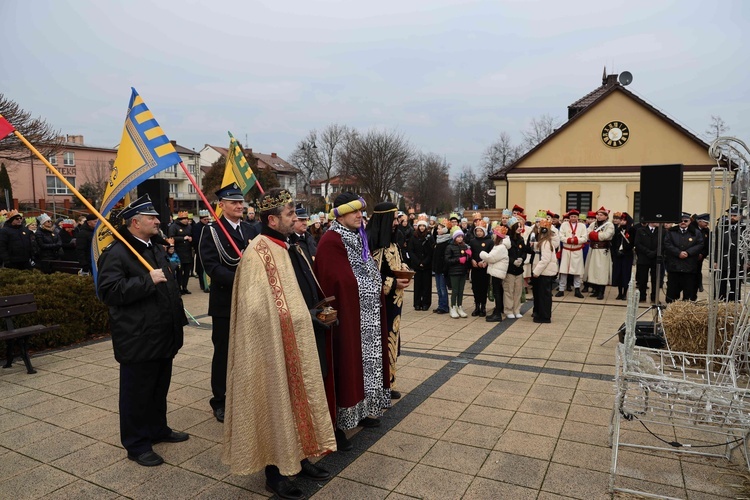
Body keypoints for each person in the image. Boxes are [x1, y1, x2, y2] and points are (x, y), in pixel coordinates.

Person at [222, 188, 334, 500]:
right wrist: (288, 322)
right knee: (274, 403)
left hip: (294, 341)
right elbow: (255, 309)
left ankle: (299, 459)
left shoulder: (284, 246)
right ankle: (275, 474)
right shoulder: (257, 252)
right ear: (272, 219)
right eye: (289, 214)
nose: (295, 218)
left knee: (298, 401)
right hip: (271, 347)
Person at [96, 194, 189, 467]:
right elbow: (109, 292)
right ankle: (137, 444)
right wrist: (146, 280)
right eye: (152, 217)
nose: (158, 220)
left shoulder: (153, 247)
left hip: (163, 333)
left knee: (159, 388)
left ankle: (158, 429)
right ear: (135, 223)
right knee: (137, 393)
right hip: (138, 337)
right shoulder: (118, 252)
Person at [314, 192, 391, 450]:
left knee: (365, 368)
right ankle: (336, 426)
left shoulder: (359, 236)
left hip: (367, 316)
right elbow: (336, 281)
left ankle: (364, 409)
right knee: (344, 368)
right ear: (340, 215)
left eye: (361, 211)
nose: (360, 215)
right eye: (353, 212)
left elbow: (367, 270)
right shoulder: (330, 240)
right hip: (347, 318)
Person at [199, 183, 259, 423]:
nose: (238, 206)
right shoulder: (212, 231)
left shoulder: (251, 230)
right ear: (221, 205)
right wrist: (239, 280)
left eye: (240, 202)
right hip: (226, 300)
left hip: (252, 299)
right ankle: (220, 400)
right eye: (233, 202)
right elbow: (211, 266)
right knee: (223, 352)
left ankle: (245, 393)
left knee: (249, 349)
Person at [367, 202, 412, 400]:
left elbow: (396, 262)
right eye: (393, 219)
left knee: (393, 341)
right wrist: (394, 284)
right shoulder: (372, 242)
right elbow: (372, 276)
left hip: (395, 303)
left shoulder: (393, 242)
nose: (396, 223)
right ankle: (380, 385)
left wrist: (404, 268)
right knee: (382, 341)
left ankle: (391, 380)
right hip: (381, 303)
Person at [663, 213, 704, 302]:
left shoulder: (696, 232)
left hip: (689, 266)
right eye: (681, 221)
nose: (683, 223)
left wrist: (688, 253)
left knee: (688, 291)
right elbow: (667, 244)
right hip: (674, 266)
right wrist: (678, 253)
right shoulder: (671, 231)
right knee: (672, 291)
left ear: (689, 221)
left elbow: (700, 244)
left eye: (685, 221)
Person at [584, 207, 615, 300]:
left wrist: (594, 235)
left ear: (606, 216)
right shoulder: (593, 224)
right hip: (593, 250)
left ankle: (601, 292)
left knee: (602, 271)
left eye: (601, 215)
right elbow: (587, 234)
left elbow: (606, 235)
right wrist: (593, 235)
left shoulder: (609, 225)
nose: (599, 216)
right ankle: (595, 290)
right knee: (593, 270)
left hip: (602, 250)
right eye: (598, 214)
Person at [713, 208, 744, 301]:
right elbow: (716, 245)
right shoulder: (721, 228)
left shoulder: (744, 229)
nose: (732, 217)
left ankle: (734, 305)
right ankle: (719, 303)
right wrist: (715, 260)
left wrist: (747, 261)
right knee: (721, 286)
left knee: (735, 286)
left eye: (735, 215)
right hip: (723, 262)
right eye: (730, 215)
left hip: (737, 262)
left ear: (740, 216)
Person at [531, 219, 558, 323]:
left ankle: (545, 316)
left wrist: (536, 271)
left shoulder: (546, 243)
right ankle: (543, 315)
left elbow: (545, 259)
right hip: (546, 272)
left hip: (545, 272)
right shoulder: (546, 242)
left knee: (544, 296)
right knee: (543, 295)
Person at [503, 218, 531, 318]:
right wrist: (513, 261)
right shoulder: (506, 240)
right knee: (509, 291)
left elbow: (524, 251)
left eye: (521, 226)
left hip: (519, 270)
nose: (520, 229)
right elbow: (504, 254)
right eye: (518, 227)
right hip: (510, 270)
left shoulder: (521, 239)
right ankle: (508, 310)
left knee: (518, 291)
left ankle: (516, 309)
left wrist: (521, 259)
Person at [480, 225, 508, 322]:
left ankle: (497, 313)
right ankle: (497, 311)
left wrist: (482, 254)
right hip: (496, 271)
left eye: (495, 235)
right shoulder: (498, 246)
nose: (493, 236)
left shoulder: (500, 247)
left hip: (498, 272)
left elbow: (491, 258)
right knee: (497, 292)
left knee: (497, 293)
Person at [556, 209, 587, 298]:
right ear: (569, 217)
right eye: (571, 216)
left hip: (577, 250)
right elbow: (561, 236)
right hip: (566, 250)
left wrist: (577, 240)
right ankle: (561, 289)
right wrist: (568, 240)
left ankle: (577, 289)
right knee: (564, 270)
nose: (573, 218)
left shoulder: (582, 226)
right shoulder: (564, 225)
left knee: (577, 271)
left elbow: (584, 238)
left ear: (577, 217)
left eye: (575, 217)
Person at [408, 216, 433, 311]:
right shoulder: (414, 237)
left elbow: (431, 251)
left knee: (427, 285)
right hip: (417, 265)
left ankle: (426, 303)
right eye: (420, 226)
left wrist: (425, 262)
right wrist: (418, 262)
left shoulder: (429, 237)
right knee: (418, 285)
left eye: (423, 226)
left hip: (427, 265)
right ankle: (417, 303)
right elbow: (411, 251)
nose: (422, 228)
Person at [445, 227, 471, 318]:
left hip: (462, 271)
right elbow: (447, 260)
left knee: (461, 290)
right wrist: (458, 260)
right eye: (458, 237)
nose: (460, 238)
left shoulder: (464, 246)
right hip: (454, 272)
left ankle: (460, 306)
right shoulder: (450, 247)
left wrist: (468, 256)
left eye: (461, 237)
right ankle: (453, 307)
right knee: (455, 290)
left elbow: (467, 260)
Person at [468, 220, 493, 316]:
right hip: (475, 268)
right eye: (477, 231)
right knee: (475, 287)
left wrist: (486, 262)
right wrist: (472, 260)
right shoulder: (472, 242)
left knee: (483, 287)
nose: (478, 233)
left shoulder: (489, 241)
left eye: (480, 231)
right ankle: (476, 306)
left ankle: (483, 306)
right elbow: (469, 254)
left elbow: (491, 254)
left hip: (484, 269)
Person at [634, 222, 661, 303]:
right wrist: (647, 252)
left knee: (655, 279)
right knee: (642, 279)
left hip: (656, 258)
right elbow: (637, 243)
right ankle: (642, 296)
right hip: (643, 257)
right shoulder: (640, 230)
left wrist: (655, 252)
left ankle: (654, 297)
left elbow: (663, 244)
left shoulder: (661, 231)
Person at [168, 211, 194, 294]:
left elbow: (192, 235)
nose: (186, 220)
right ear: (180, 219)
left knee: (187, 271)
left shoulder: (189, 227)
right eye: (184, 219)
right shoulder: (174, 227)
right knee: (179, 271)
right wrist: (183, 238)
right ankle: (179, 288)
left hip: (188, 252)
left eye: (187, 219)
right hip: (178, 252)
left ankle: (185, 287)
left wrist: (191, 239)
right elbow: (171, 237)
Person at [611, 212, 635, 300]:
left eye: (624, 220)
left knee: (626, 273)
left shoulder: (632, 230)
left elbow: (632, 243)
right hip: (618, 255)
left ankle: (625, 293)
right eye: (621, 220)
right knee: (618, 273)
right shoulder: (617, 230)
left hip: (627, 255)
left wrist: (625, 250)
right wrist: (616, 251)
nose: (621, 221)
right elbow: (613, 243)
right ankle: (619, 292)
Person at [431, 219, 452, 314]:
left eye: (439, 229)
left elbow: (445, 258)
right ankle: (440, 305)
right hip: (437, 268)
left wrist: (444, 269)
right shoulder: (438, 241)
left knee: (443, 288)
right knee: (439, 288)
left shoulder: (447, 242)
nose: (437, 230)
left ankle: (444, 306)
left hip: (443, 269)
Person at [192, 210, 210, 292]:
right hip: (200, 249)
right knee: (201, 268)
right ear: (201, 219)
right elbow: (196, 239)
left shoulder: (209, 226)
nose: (207, 221)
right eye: (205, 219)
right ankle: (203, 284)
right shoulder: (197, 227)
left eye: (207, 219)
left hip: (208, 249)